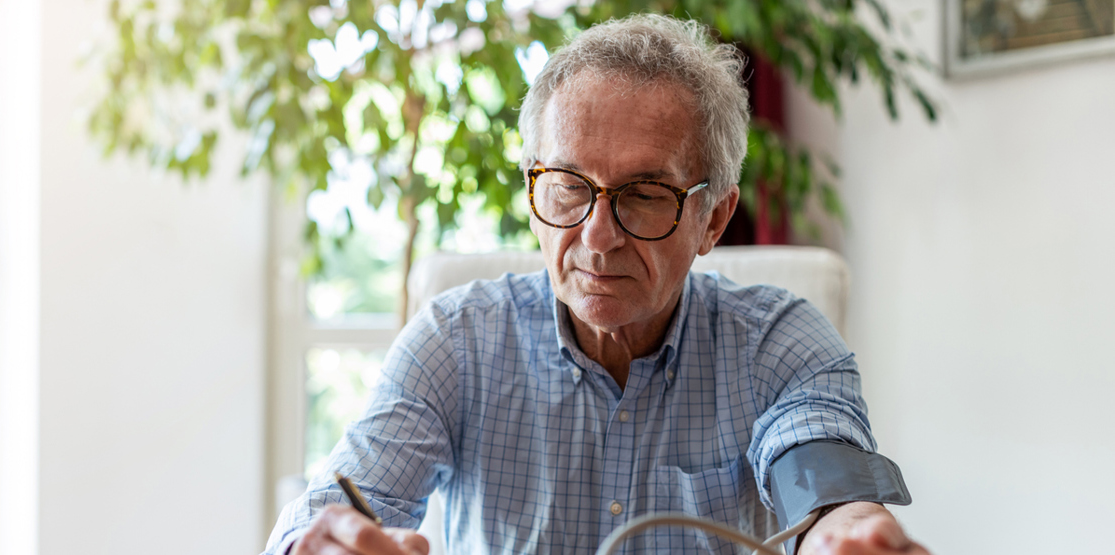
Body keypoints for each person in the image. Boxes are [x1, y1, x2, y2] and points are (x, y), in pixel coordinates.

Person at [264, 14, 929, 555]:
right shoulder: (457, 339)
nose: (598, 235)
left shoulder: (775, 342)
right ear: (533, 188)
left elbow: (821, 479)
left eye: (642, 195)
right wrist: (318, 543)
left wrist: (842, 532)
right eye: (569, 187)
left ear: (714, 217)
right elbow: (330, 510)